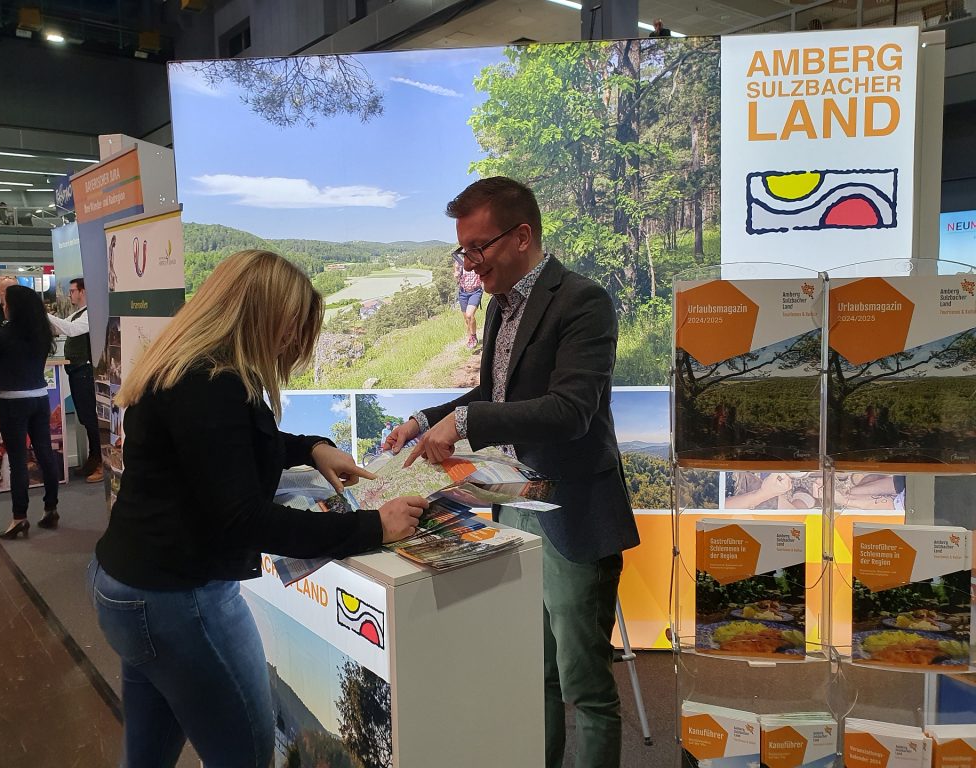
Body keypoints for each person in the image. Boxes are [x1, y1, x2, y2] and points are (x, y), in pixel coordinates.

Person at [88, 249, 428, 767]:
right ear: (258, 313)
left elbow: (231, 445)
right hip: (179, 600)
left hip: (127, 586)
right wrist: (374, 526)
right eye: (291, 326)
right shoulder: (211, 384)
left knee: (149, 753)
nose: (294, 342)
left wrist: (312, 446)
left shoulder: (192, 369)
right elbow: (244, 518)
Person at [384, 177, 639, 768]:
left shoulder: (584, 301)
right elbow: (496, 390)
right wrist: (426, 420)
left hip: (573, 514)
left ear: (522, 236)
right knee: (535, 674)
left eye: (479, 247)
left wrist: (467, 421)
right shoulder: (502, 305)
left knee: (584, 688)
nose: (470, 264)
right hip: (516, 502)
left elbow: (570, 410)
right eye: (463, 251)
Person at [0, 285, 61, 539]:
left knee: (17, 460)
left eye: (4, 302)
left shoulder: (1, 336)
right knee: (45, 453)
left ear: (12, 306)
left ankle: (19, 517)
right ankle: (51, 508)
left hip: (12, 402)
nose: (2, 306)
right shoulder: (42, 334)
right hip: (40, 397)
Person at [47, 278, 103, 483]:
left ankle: (100, 461)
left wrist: (41, 314)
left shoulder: (91, 313)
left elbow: (70, 330)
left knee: (90, 418)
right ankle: (95, 457)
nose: (70, 294)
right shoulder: (78, 314)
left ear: (83, 291)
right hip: (77, 371)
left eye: (72, 291)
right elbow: (62, 327)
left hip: (86, 371)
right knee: (86, 418)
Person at [454, 255, 484, 348]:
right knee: (467, 320)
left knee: (469, 315)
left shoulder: (477, 257)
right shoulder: (459, 259)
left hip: (476, 291)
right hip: (463, 292)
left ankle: (474, 337)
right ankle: (470, 339)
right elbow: (456, 274)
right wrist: (456, 274)